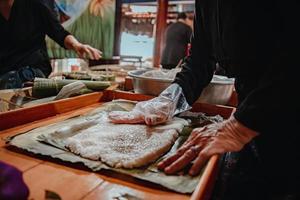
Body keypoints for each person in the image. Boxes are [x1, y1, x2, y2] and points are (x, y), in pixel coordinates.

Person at [109, 1, 300, 200]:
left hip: (287, 106)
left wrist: (241, 125)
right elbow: (200, 58)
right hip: (250, 103)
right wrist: (168, 100)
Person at [0, 0, 101, 89]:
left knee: (11, 80)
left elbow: (59, 33)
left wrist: (77, 45)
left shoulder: (35, 4)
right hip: (5, 71)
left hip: (33, 68)